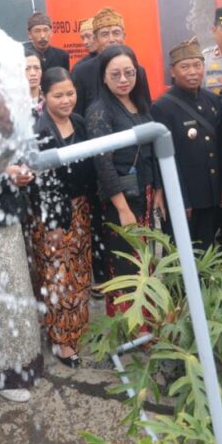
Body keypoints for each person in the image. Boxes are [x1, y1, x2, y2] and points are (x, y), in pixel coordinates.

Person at [87, 45, 165, 314]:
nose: (123, 80)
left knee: (145, 259)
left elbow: (152, 148)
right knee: (124, 263)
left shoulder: (141, 103)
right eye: (116, 74)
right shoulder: (99, 111)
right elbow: (103, 164)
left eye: (129, 73)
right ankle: (129, 327)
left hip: (144, 193)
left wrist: (157, 188)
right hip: (119, 198)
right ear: (104, 77)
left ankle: (148, 319)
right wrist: (121, 208)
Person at [28, 68, 95, 367]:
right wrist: (52, 223)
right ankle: (60, 340)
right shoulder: (38, 131)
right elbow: (40, 184)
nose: (66, 100)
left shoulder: (79, 123)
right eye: (58, 95)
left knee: (79, 272)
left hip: (80, 209)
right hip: (51, 215)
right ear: (44, 96)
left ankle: (76, 329)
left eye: (70, 93)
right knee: (57, 277)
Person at [150, 38, 222, 251]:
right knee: (182, 254)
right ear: (173, 71)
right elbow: (167, 159)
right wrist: (180, 201)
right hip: (187, 196)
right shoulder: (162, 107)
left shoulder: (212, 101)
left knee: (207, 250)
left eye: (197, 65)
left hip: (212, 193)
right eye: (185, 67)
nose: (193, 72)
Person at [72, 7, 151, 117]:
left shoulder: (137, 70)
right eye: (105, 34)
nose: (112, 39)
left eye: (116, 33)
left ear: (124, 36)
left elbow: (145, 109)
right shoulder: (81, 72)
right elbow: (76, 116)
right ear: (95, 39)